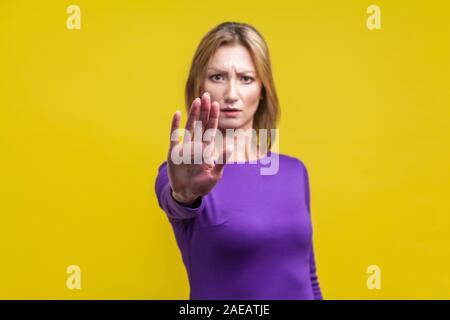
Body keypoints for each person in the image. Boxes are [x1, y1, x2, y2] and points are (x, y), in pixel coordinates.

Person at [155, 22, 322, 300]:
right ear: (199, 86)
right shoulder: (181, 175)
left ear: (263, 89)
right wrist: (183, 194)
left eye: (246, 78)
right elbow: (178, 200)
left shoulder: (295, 171)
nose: (232, 94)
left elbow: (308, 277)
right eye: (218, 77)